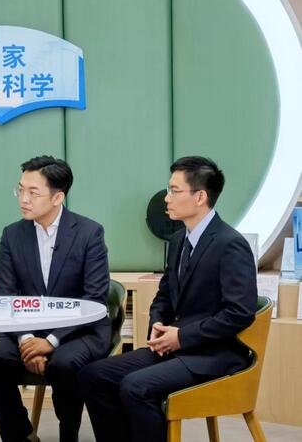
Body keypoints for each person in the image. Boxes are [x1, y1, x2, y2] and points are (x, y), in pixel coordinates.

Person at [79, 156, 257, 442]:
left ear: (200, 197)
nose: (166, 197)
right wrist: (157, 323)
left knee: (135, 386)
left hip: (214, 356)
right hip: (176, 348)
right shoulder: (178, 240)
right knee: (93, 375)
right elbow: (164, 295)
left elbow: (239, 313)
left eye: (175, 190)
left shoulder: (230, 244)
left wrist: (182, 337)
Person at [0, 156, 111, 442]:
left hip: (79, 330)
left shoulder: (89, 233)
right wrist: (27, 341)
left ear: (58, 197)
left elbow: (94, 300)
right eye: (20, 190)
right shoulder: (12, 235)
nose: (24, 199)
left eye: (33, 192)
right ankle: (21, 435)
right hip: (26, 328)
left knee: (64, 364)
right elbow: (6, 296)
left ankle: (68, 435)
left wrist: (51, 341)